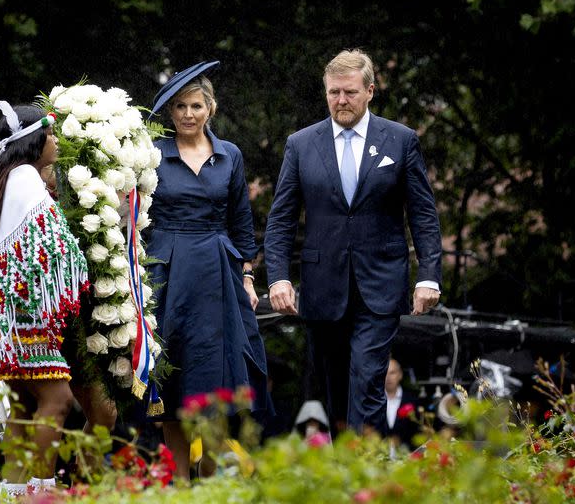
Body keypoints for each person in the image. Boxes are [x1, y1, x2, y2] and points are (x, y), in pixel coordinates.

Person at [264, 49, 442, 436]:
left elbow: (423, 215)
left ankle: (370, 475)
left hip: (380, 283)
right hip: (322, 286)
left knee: (367, 380)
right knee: (336, 391)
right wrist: (277, 278)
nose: (340, 101)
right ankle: (347, 480)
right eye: (333, 93)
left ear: (370, 91)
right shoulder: (301, 144)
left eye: (349, 93)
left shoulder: (400, 140)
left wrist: (429, 275)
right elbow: (280, 219)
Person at [146, 61, 271, 481]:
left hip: (218, 272)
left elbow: (241, 220)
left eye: (195, 105)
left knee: (216, 370)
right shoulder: (151, 153)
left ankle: (212, 469)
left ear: (210, 108)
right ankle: (179, 479)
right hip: (167, 271)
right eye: (179, 106)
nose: (187, 114)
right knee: (173, 371)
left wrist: (248, 276)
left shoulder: (230, 154)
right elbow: (137, 219)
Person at [0, 102, 89, 496]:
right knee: (59, 400)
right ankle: (41, 491)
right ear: (33, 141)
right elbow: (57, 247)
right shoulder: (27, 177)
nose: (55, 140)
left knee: (23, 408)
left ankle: (13, 491)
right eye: (50, 134)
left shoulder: (6, 176)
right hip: (18, 313)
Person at [384, 358, 419, 448]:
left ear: (400, 375)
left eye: (392, 373)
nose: (388, 377)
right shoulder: (373, 402)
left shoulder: (413, 401)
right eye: (384, 373)